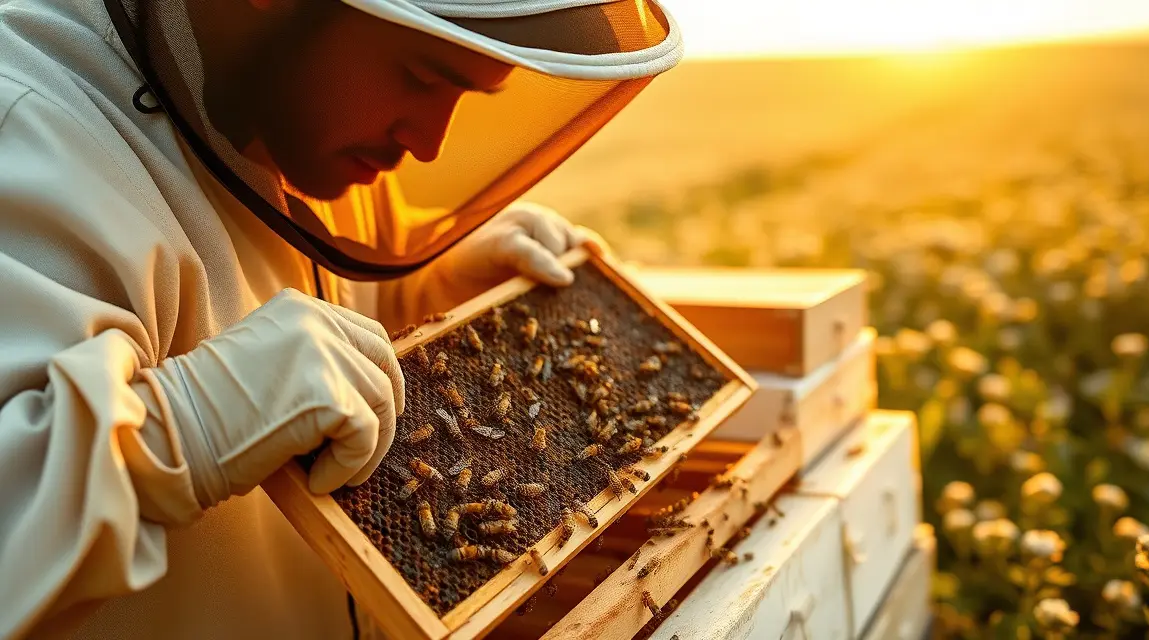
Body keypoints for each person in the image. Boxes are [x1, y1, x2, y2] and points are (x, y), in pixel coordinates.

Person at [0, 0, 682, 637]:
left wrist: (429, 289)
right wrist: (183, 432)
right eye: (420, 77)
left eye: (467, 93)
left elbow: (293, 307)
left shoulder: (303, 117)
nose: (428, 142)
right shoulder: (28, 126)